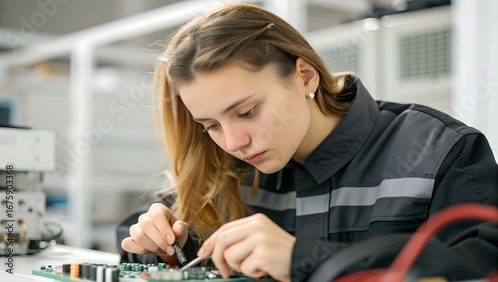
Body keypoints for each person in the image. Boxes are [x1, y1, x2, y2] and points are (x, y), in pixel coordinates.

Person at [117, 3, 498, 282]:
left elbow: (480, 267)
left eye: (247, 112)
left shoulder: (440, 151)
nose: (234, 142)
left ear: (305, 75)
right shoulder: (225, 169)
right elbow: (144, 235)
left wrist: (304, 258)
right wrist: (159, 244)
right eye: (210, 126)